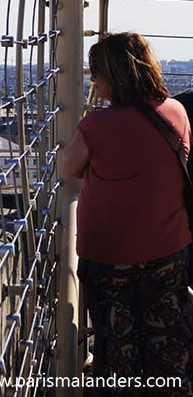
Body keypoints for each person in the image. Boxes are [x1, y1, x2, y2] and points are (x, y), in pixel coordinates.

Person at [60, 32, 193, 395]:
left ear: (114, 74)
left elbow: (67, 168)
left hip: (109, 258)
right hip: (167, 252)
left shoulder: (96, 127)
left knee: (116, 348)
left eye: (97, 72)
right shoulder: (177, 114)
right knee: (167, 342)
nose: (93, 79)